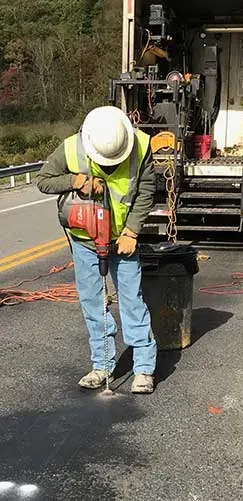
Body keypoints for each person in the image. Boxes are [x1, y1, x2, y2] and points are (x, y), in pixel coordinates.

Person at [36, 106, 157, 394]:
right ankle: (102, 364)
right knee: (93, 302)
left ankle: (143, 369)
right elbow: (42, 180)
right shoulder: (71, 148)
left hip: (123, 240)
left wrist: (132, 231)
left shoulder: (141, 145)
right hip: (85, 240)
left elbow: (146, 190)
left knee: (131, 300)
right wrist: (75, 181)